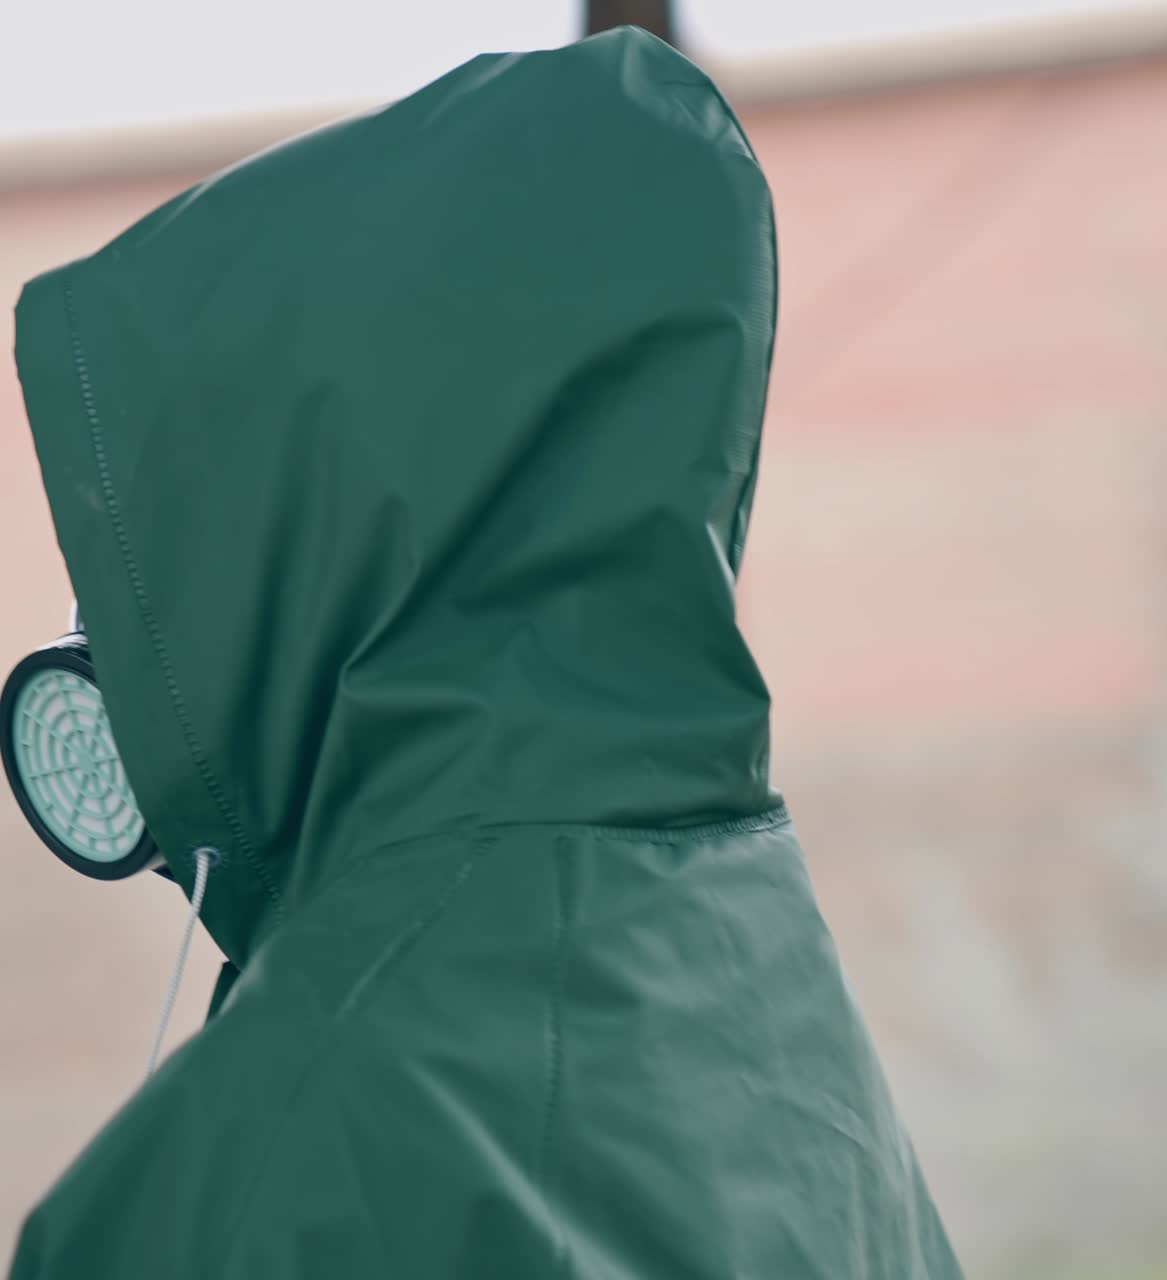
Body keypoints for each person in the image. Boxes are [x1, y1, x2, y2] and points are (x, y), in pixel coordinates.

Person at [6, 27, 964, 1280]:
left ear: (291, 553)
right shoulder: (775, 1012)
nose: (115, 654)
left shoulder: (248, 1169)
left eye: (146, 570)